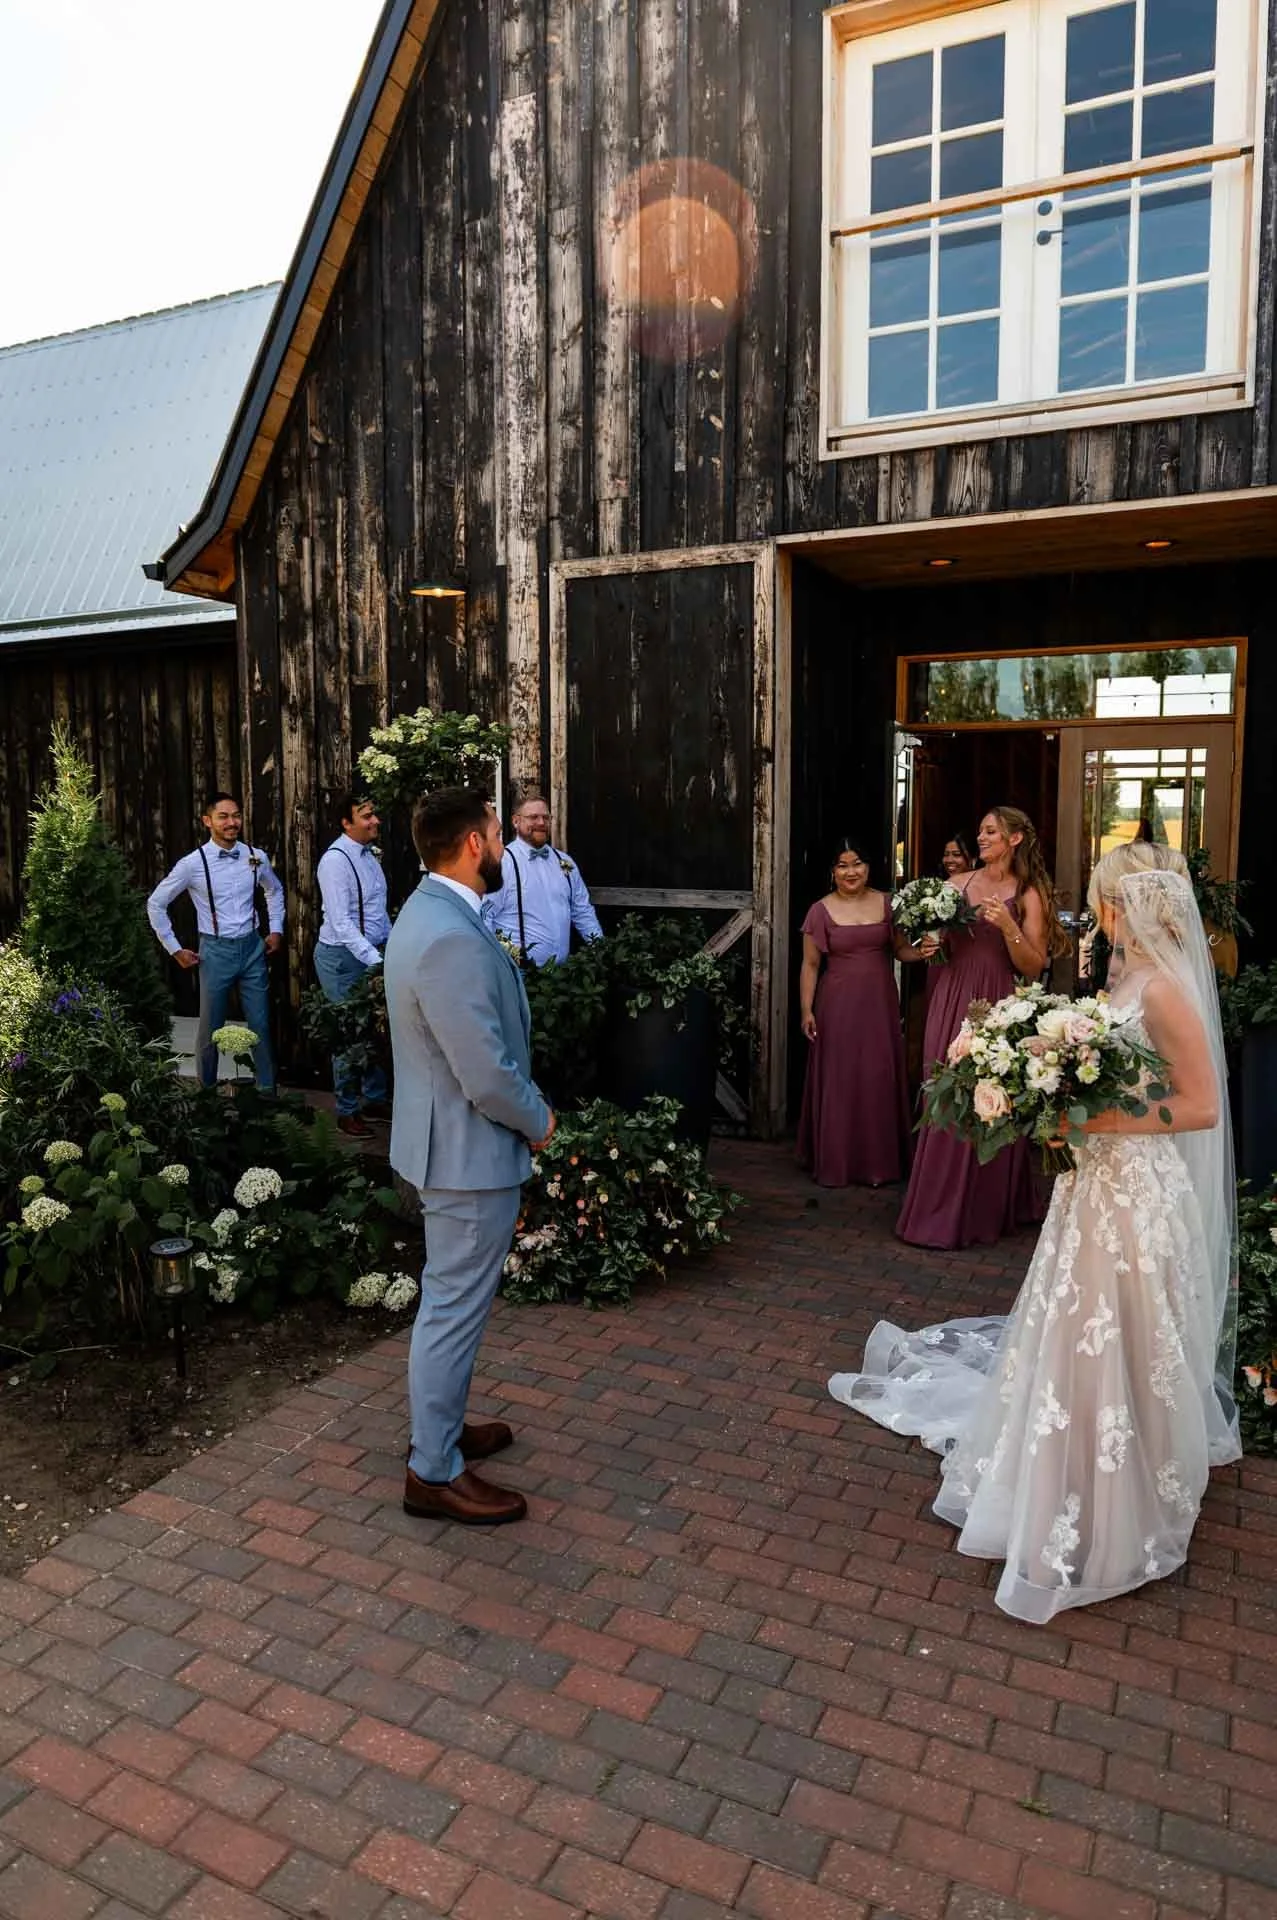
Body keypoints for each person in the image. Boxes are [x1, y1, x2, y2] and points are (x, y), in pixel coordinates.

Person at [830, 840, 1240, 1624]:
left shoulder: (1162, 992)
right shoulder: (1121, 978)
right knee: (1080, 1327)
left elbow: (1199, 1106)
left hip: (1133, 1192)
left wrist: (1092, 1117)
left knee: (1122, 1329)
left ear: (1125, 906)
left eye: (1100, 900)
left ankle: (1125, 1483)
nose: (1095, 913)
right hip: (1092, 1185)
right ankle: (1073, 1463)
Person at [385, 787, 554, 1527]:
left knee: (451, 1305)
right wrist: (537, 1118)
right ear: (476, 844)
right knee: (451, 1309)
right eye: (496, 830)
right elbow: (481, 1071)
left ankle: (442, 1431)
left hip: (446, 1144)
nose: (502, 841)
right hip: (464, 1151)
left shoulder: (434, 912)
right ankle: (432, 1470)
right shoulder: (448, 932)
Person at [896, 805, 1067, 1249]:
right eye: (980, 831)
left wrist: (1009, 926)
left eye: (991, 831)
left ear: (1014, 839)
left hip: (996, 1003)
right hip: (950, 998)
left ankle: (985, 1208)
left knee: (989, 1101)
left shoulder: (1028, 893)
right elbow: (937, 950)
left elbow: (1033, 965)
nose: (983, 837)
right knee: (943, 1095)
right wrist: (931, 944)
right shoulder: (955, 886)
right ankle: (937, 1209)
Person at [797, 839, 924, 1187]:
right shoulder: (819, 911)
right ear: (832, 871)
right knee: (840, 1079)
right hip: (836, 1005)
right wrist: (806, 1009)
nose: (850, 871)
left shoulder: (888, 903)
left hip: (879, 1004)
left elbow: (900, 951)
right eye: (842, 865)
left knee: (877, 1076)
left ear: (868, 867)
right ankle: (838, 1162)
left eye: (857, 863)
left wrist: (925, 950)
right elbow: (810, 965)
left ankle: (879, 1165)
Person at [146, 793, 284, 1093]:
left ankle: (267, 1094)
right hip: (215, 951)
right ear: (208, 821)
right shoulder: (193, 864)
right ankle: (206, 1094)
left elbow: (274, 891)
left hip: (252, 948)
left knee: (260, 1024)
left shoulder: (255, 856)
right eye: (223, 816)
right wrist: (174, 948)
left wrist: (276, 929)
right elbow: (156, 903)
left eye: (235, 815)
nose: (232, 822)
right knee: (211, 1028)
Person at [315, 792, 391, 1138]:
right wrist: (376, 960)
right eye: (366, 816)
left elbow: (376, 911)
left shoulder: (369, 856)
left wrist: (389, 946)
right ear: (346, 823)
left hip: (372, 951)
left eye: (373, 814)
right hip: (343, 958)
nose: (374, 821)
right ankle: (346, 1110)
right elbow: (342, 923)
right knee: (348, 1031)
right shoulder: (334, 861)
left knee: (375, 1028)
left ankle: (374, 1099)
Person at [482, 791, 603, 966]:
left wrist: (600, 950)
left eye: (546, 818)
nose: (541, 823)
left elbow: (582, 911)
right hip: (518, 974)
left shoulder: (565, 862)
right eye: (533, 817)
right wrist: (498, 964)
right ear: (516, 821)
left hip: (561, 977)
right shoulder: (503, 863)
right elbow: (485, 916)